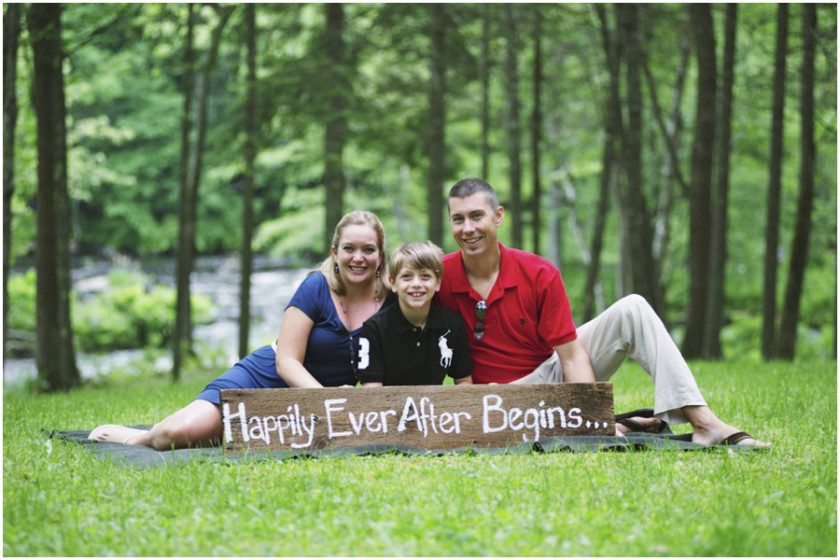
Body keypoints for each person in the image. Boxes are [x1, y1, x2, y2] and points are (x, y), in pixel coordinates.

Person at [437, 178, 770, 448]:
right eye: (458, 219)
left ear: (498, 216)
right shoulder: (437, 276)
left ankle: (704, 423)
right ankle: (625, 424)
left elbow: (570, 356)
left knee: (633, 307)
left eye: (476, 216)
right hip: (488, 402)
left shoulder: (539, 272)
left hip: (550, 381)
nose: (468, 228)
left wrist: (587, 416)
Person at [89, 210, 393, 450]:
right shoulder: (316, 286)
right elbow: (286, 361)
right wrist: (327, 400)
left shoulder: (392, 300)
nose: (358, 258)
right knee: (174, 434)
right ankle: (139, 437)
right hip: (267, 379)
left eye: (368, 249)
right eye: (349, 248)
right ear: (335, 252)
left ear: (380, 255)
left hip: (320, 408)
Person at [355, 241, 472, 387]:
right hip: (388, 408)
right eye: (407, 276)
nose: (416, 283)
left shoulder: (452, 324)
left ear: (438, 283)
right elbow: (371, 392)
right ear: (393, 283)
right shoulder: (374, 329)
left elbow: (464, 382)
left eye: (425, 276)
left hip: (435, 407)